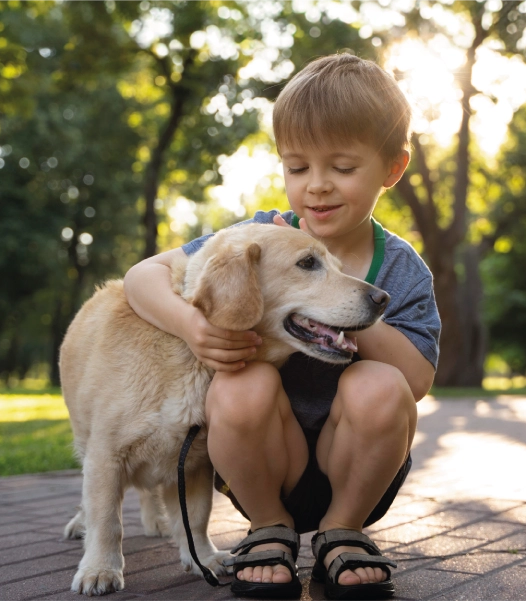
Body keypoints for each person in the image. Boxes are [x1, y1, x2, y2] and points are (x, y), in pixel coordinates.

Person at [122, 53, 439, 600]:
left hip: (360, 470)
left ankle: (343, 532)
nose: (316, 186)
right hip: (264, 463)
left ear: (392, 169)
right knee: (242, 381)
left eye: (342, 168)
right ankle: (269, 528)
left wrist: (348, 310)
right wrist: (192, 326)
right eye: (297, 168)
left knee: (381, 384)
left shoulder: (401, 267)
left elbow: (415, 381)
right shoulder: (263, 240)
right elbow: (141, 276)